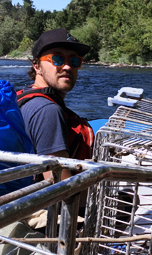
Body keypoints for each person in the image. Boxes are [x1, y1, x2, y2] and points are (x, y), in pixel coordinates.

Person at [17, 28, 94, 181]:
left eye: (74, 61)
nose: (67, 67)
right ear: (37, 66)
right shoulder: (47, 111)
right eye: (57, 59)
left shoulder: (23, 96)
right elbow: (60, 187)